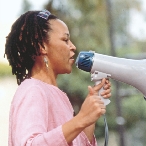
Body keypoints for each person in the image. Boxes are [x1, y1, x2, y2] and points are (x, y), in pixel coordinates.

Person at [5, 9, 112, 146]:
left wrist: (89, 118)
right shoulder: (32, 91)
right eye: (65, 39)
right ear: (41, 46)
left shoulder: (57, 95)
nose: (73, 47)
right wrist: (81, 118)